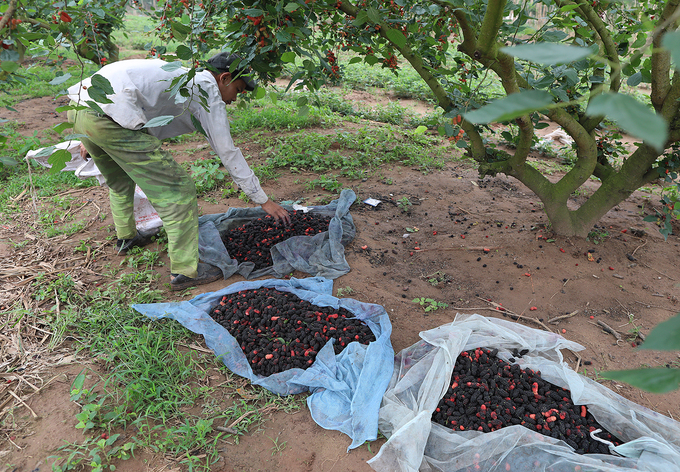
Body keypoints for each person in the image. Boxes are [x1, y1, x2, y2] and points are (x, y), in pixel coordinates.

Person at [67, 52, 291, 290]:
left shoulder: (183, 76)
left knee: (120, 181)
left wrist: (90, 132)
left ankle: (127, 238)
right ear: (224, 78)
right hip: (107, 120)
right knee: (179, 190)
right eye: (238, 89)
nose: (236, 98)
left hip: (82, 110)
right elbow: (228, 151)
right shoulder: (207, 91)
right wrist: (263, 200)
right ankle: (185, 272)